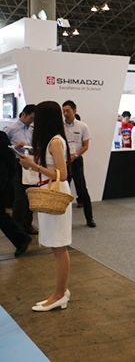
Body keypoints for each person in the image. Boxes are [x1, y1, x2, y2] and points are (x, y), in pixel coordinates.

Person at [18, 101, 73, 311]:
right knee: (56, 245)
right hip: (50, 191)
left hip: (55, 192)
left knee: (59, 246)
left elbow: (62, 174)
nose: (34, 122)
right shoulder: (51, 140)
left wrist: (33, 165)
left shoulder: (56, 142)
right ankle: (61, 291)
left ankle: (59, 295)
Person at [62, 100, 96, 228]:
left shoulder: (82, 126)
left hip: (76, 161)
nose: (65, 113)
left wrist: (75, 155)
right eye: (64, 111)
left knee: (82, 189)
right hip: (63, 161)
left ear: (75, 110)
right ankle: (62, 221)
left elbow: (85, 146)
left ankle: (90, 218)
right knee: (63, 190)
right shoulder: (59, 126)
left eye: (68, 111)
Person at [4, 104, 36, 235]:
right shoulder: (10, 129)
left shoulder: (32, 129)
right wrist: (15, 146)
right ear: (23, 114)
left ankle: (28, 224)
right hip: (17, 164)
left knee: (31, 195)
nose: (32, 121)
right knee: (20, 197)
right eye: (31, 118)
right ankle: (17, 228)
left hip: (31, 163)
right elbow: (3, 147)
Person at [0, 130, 32, 256]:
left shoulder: (1, 136)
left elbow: (10, 160)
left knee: (1, 215)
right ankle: (21, 239)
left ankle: (21, 239)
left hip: (2, 183)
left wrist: (7, 183)